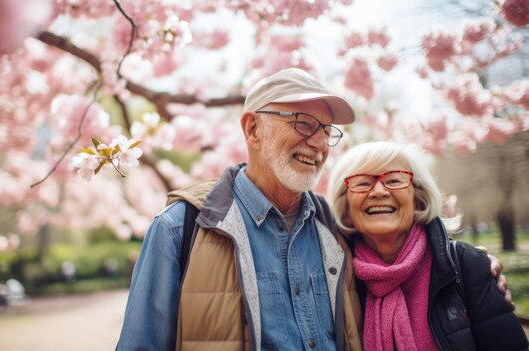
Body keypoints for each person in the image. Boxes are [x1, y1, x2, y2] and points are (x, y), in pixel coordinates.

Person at [116, 68, 508, 350]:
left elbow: (402, 258)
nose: (319, 144)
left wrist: (473, 267)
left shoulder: (338, 230)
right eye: (303, 123)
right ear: (253, 129)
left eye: (326, 131)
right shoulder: (180, 229)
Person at [326, 141, 528, 350]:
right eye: (361, 183)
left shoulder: (466, 265)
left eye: (395, 180)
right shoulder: (334, 280)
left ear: (418, 200)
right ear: (346, 210)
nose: (378, 191)